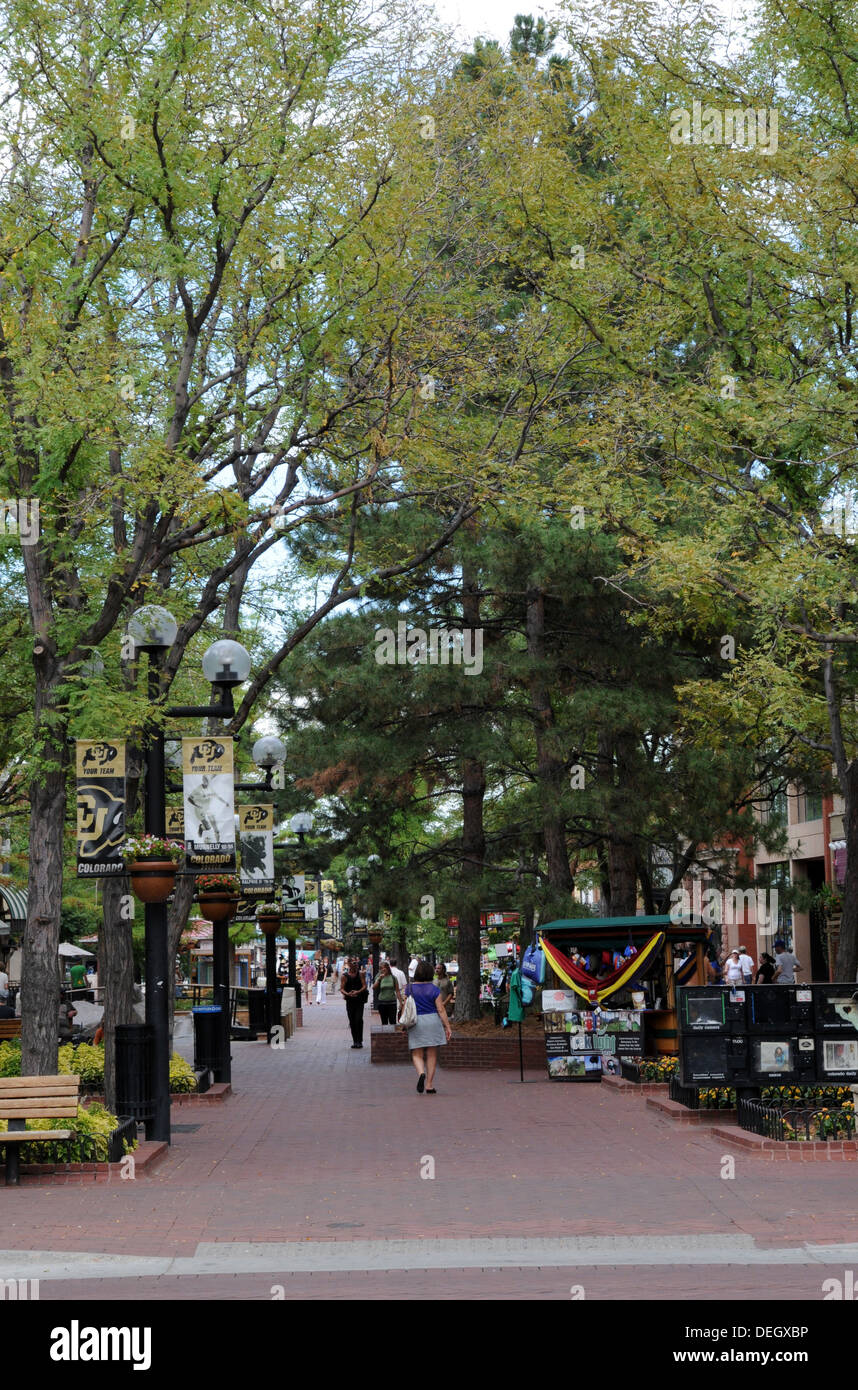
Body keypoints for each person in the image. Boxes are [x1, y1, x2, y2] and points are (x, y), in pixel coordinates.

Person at [397, 960, 452, 1094]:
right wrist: (448, 1027)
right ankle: (429, 1085)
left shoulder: (409, 988)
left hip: (416, 1022)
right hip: (432, 1020)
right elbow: (441, 1009)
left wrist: (403, 1025)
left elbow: (405, 1007)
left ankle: (421, 1073)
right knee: (432, 1054)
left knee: (417, 1053)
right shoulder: (434, 989)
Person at [340, 956, 368, 1047]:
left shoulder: (360, 974)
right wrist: (347, 994)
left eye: (356, 963)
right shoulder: (345, 976)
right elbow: (341, 988)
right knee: (352, 1020)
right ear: (348, 964)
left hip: (359, 1000)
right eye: (353, 963)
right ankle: (355, 1041)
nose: (355, 964)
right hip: (350, 1001)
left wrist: (358, 992)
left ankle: (359, 1041)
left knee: (358, 1019)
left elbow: (364, 986)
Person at [374, 960, 398, 1024]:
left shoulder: (393, 978)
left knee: (393, 1022)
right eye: (381, 968)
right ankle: (385, 1034)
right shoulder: (379, 977)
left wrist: (401, 1003)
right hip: (382, 1003)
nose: (383, 969)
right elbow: (374, 987)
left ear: (388, 968)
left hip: (392, 1003)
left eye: (384, 967)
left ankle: (392, 1034)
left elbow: (397, 991)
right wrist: (379, 979)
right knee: (384, 1022)